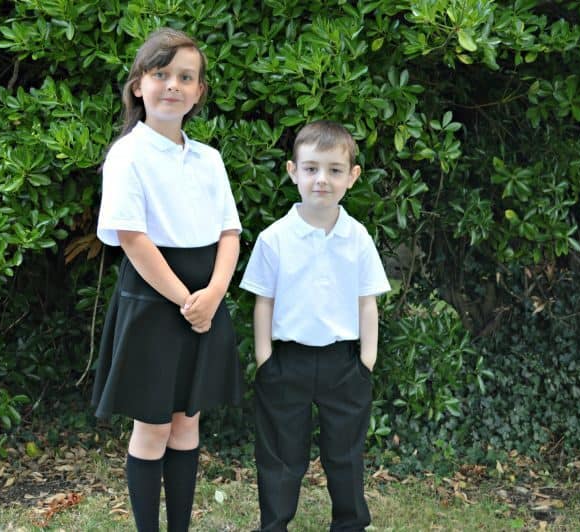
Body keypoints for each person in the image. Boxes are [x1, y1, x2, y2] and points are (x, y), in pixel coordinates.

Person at [91, 28, 242, 531]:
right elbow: (133, 240)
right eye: (161, 74)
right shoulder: (127, 156)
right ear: (139, 85)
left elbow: (229, 232)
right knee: (153, 425)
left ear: (199, 92)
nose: (172, 85)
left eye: (186, 76)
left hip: (204, 301)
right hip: (156, 303)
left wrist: (215, 293)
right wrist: (186, 301)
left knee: (187, 423)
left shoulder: (209, 159)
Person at [240, 120, 391, 531]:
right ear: (293, 172)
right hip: (286, 362)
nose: (321, 179)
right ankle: (274, 525)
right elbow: (263, 302)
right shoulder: (275, 238)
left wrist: (367, 361)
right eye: (311, 169)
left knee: (344, 453)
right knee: (281, 455)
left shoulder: (357, 237)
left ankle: (350, 524)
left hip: (344, 362)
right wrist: (264, 358)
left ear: (352, 177)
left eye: (334, 170)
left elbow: (367, 303)